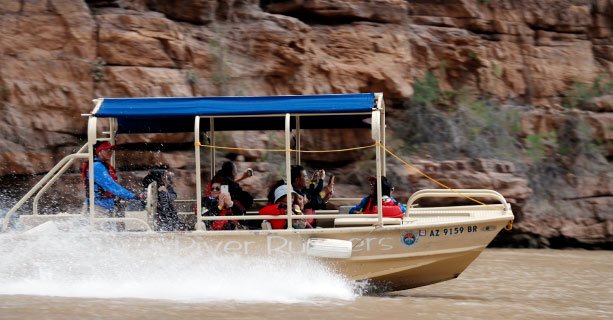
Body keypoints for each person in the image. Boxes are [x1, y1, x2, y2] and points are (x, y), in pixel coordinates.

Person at [81, 141, 143, 217]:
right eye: (107, 150)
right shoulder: (96, 166)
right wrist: (132, 196)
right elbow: (110, 185)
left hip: (104, 207)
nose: (110, 152)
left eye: (111, 150)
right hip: (97, 208)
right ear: (99, 151)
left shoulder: (102, 165)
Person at [142, 165, 186, 231]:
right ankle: (169, 225)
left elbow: (173, 196)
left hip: (166, 208)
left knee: (169, 214)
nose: (165, 175)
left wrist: (165, 191)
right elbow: (147, 196)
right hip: (156, 208)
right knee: (164, 215)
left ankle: (173, 225)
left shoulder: (166, 184)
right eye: (164, 174)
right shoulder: (150, 183)